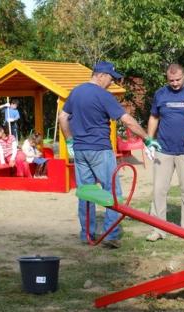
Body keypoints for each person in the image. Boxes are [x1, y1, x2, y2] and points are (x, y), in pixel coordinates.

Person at [59, 61, 157, 249]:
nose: (112, 82)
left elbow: (63, 117)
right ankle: (111, 235)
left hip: (80, 150)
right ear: (101, 75)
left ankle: (86, 233)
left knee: (85, 192)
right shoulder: (104, 96)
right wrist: (146, 138)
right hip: (100, 149)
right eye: (111, 78)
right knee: (112, 191)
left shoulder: (76, 92)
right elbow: (127, 120)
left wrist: (70, 140)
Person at [145, 63, 184, 242]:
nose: (174, 83)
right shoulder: (160, 94)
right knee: (158, 190)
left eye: (178, 79)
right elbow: (154, 117)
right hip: (163, 149)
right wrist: (150, 140)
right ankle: (158, 229)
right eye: (171, 80)